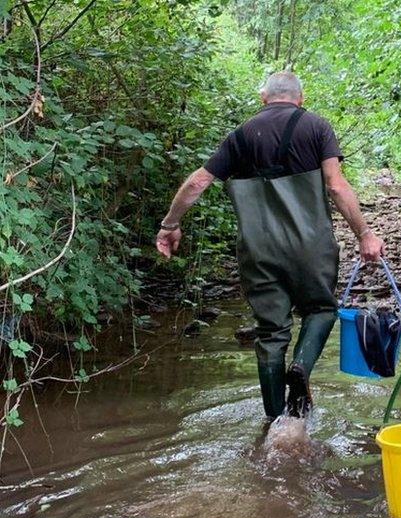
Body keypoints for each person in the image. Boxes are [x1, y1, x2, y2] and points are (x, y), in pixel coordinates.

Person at [155, 71, 384, 420]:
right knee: (321, 309)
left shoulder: (241, 135)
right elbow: (336, 186)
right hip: (311, 246)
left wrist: (170, 225)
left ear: (263, 98)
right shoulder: (317, 127)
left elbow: (198, 182)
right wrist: (365, 233)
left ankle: (276, 422)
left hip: (258, 250)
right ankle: (302, 366)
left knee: (271, 332)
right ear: (301, 98)